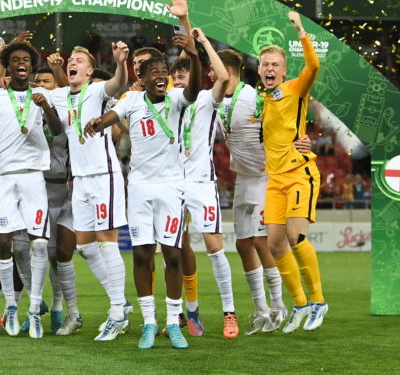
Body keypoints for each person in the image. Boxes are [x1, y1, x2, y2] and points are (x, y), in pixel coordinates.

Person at [85, 31, 200, 350]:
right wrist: (99, 122)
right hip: (138, 188)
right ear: (144, 79)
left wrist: (194, 55)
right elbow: (113, 116)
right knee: (141, 253)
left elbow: (194, 90)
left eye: (164, 72)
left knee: (173, 254)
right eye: (155, 73)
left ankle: (173, 322)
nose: (161, 76)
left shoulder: (177, 99)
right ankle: (149, 322)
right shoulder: (133, 100)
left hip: (171, 187)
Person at [211, 48, 312, 334]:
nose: (210, 74)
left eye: (213, 69)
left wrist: (301, 140)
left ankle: (278, 306)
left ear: (226, 71)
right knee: (243, 244)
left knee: (260, 241)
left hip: (266, 176)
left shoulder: (254, 98)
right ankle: (260, 309)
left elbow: (284, 120)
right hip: (243, 177)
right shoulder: (216, 100)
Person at [0, 42, 61, 338]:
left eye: (26, 59)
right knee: (4, 242)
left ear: (32, 66)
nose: (21, 63)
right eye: (15, 60)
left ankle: (34, 307)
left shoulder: (43, 95)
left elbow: (57, 130)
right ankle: (11, 306)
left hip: (33, 175)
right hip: (2, 176)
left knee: (39, 244)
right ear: (8, 66)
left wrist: (45, 106)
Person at [48, 41, 130, 341]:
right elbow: (35, 93)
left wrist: (121, 62)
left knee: (107, 242)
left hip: (103, 175)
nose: (73, 62)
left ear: (90, 71)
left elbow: (118, 83)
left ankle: (117, 312)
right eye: (71, 58)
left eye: (79, 60)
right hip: (80, 180)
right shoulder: (60, 95)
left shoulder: (96, 91)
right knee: (85, 247)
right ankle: (121, 302)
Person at [259, 11, 326, 332]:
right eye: (265, 64)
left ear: (283, 70)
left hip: (300, 173)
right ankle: (299, 304)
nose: (269, 68)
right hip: (274, 180)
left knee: (296, 237)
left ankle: (318, 301)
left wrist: (300, 31)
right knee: (274, 245)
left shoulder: (296, 89)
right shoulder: (261, 100)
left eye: (275, 64)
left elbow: (313, 66)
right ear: (259, 69)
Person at [170, 28, 238, 339]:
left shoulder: (207, 99)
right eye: (176, 77)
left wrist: (202, 42)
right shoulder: (168, 103)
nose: (179, 80)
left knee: (213, 247)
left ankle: (229, 313)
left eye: (184, 75)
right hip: (172, 184)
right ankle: (184, 313)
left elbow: (223, 77)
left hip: (200, 182)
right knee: (172, 248)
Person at [34, 65, 79, 335]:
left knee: (63, 253)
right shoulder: (26, 112)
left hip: (66, 192)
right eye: (37, 81)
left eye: (47, 81)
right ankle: (52, 307)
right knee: (46, 255)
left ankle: (70, 310)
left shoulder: (66, 115)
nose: (41, 85)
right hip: (38, 192)